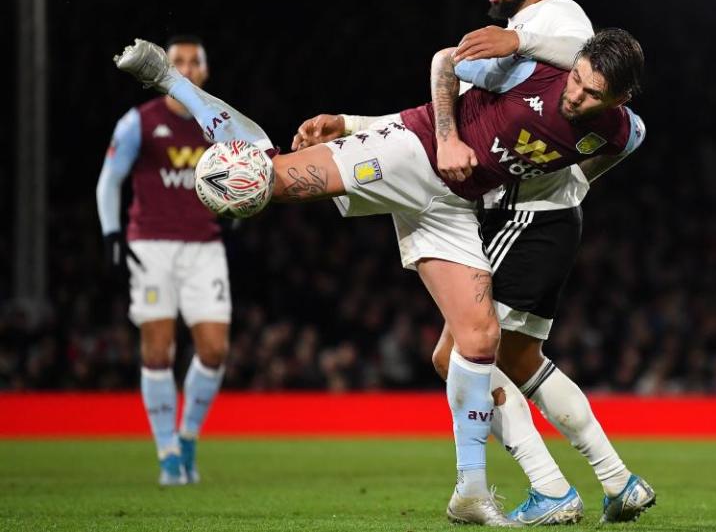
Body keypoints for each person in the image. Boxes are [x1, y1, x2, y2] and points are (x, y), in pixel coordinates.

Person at [114, 27, 645, 525]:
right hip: (410, 153)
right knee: (267, 178)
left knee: (479, 340)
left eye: (591, 93)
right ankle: (168, 78)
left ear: (617, 99)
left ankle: (472, 492)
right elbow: (445, 63)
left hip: (453, 207)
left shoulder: (618, 127)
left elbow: (624, 142)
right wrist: (444, 137)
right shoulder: (532, 73)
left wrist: (575, 183)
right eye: (576, 79)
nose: (575, 96)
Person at [291, 0, 655, 525]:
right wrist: (354, 124)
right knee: (521, 362)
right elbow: (450, 117)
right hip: (550, 219)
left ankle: (551, 489)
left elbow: (574, 69)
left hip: (526, 220)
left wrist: (523, 49)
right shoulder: (526, 41)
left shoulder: (554, 20)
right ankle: (617, 481)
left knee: (458, 356)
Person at [96, 36, 231, 485]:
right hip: (151, 245)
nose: (187, 69)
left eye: (195, 62)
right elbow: (109, 180)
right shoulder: (139, 122)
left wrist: (241, 210)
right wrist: (112, 232)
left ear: (206, 72)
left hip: (204, 246)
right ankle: (168, 453)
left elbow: (247, 171)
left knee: (214, 348)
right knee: (158, 349)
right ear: (163, 70)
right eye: (178, 62)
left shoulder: (217, 123)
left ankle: (189, 434)